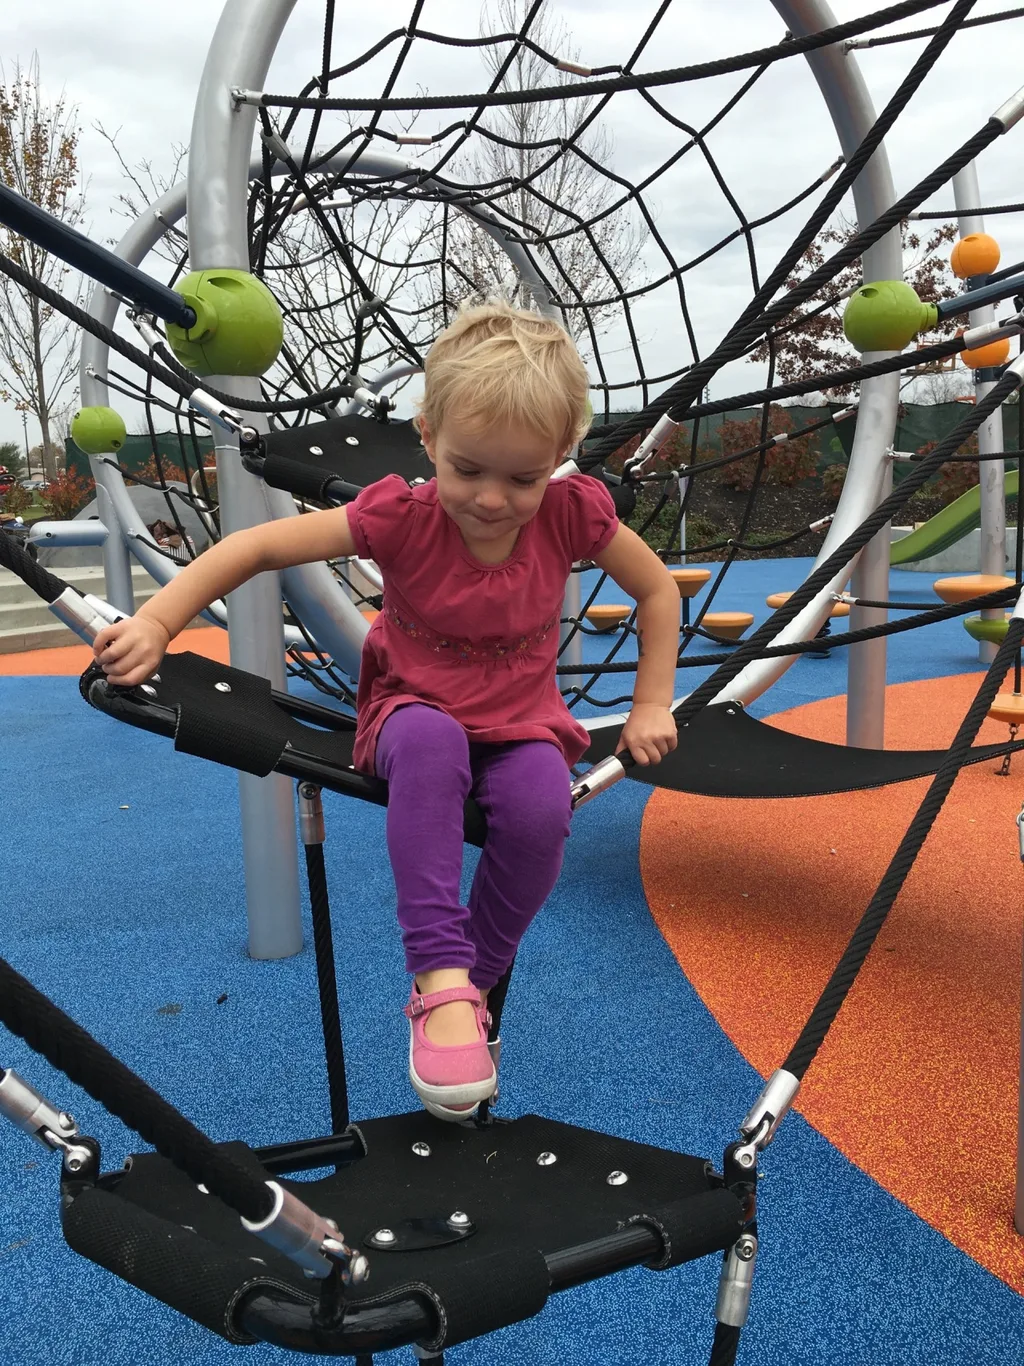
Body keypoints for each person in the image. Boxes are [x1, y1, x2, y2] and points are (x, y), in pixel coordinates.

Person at [93, 301, 681, 1121]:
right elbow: (256, 545)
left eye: (523, 477)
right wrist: (157, 621)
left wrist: (652, 701)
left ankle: (467, 985)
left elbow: (657, 590)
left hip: (521, 725)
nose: (490, 498)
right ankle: (438, 977)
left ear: (561, 458)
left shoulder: (570, 511)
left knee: (544, 809)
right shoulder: (403, 516)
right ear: (429, 437)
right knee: (435, 743)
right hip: (411, 709)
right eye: (468, 468)